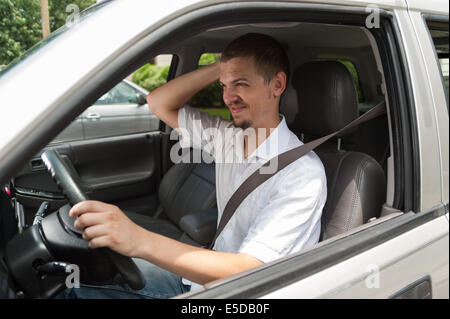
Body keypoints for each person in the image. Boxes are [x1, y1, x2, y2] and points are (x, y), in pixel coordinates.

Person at [61, 33, 327, 299]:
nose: (228, 97)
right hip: (204, 280)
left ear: (277, 84)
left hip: (243, 293)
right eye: (224, 85)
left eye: (241, 83)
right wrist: (219, 67)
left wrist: (139, 240)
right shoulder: (228, 137)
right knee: (79, 283)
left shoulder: (301, 173)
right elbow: (158, 103)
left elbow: (250, 270)